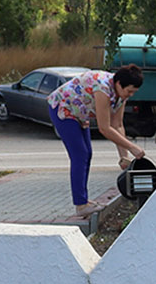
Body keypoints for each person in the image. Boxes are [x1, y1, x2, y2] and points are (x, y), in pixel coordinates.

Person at [46, 65, 147, 216]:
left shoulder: (121, 95)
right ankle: (81, 205)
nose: (130, 95)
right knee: (80, 155)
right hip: (64, 108)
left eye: (134, 92)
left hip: (80, 113)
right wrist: (133, 147)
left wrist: (124, 157)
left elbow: (117, 125)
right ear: (119, 84)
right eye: (129, 91)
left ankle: (84, 201)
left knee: (87, 154)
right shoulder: (103, 89)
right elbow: (104, 128)